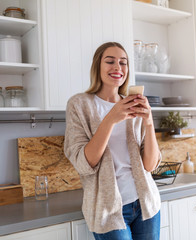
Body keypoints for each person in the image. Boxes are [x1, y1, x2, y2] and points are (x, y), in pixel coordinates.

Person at [64, 42, 161, 240]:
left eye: (123, 63)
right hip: (107, 209)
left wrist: (149, 122)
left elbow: (150, 165)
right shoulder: (79, 104)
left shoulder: (133, 104)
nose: (118, 67)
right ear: (97, 67)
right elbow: (84, 164)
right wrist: (111, 118)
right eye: (110, 61)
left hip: (145, 203)